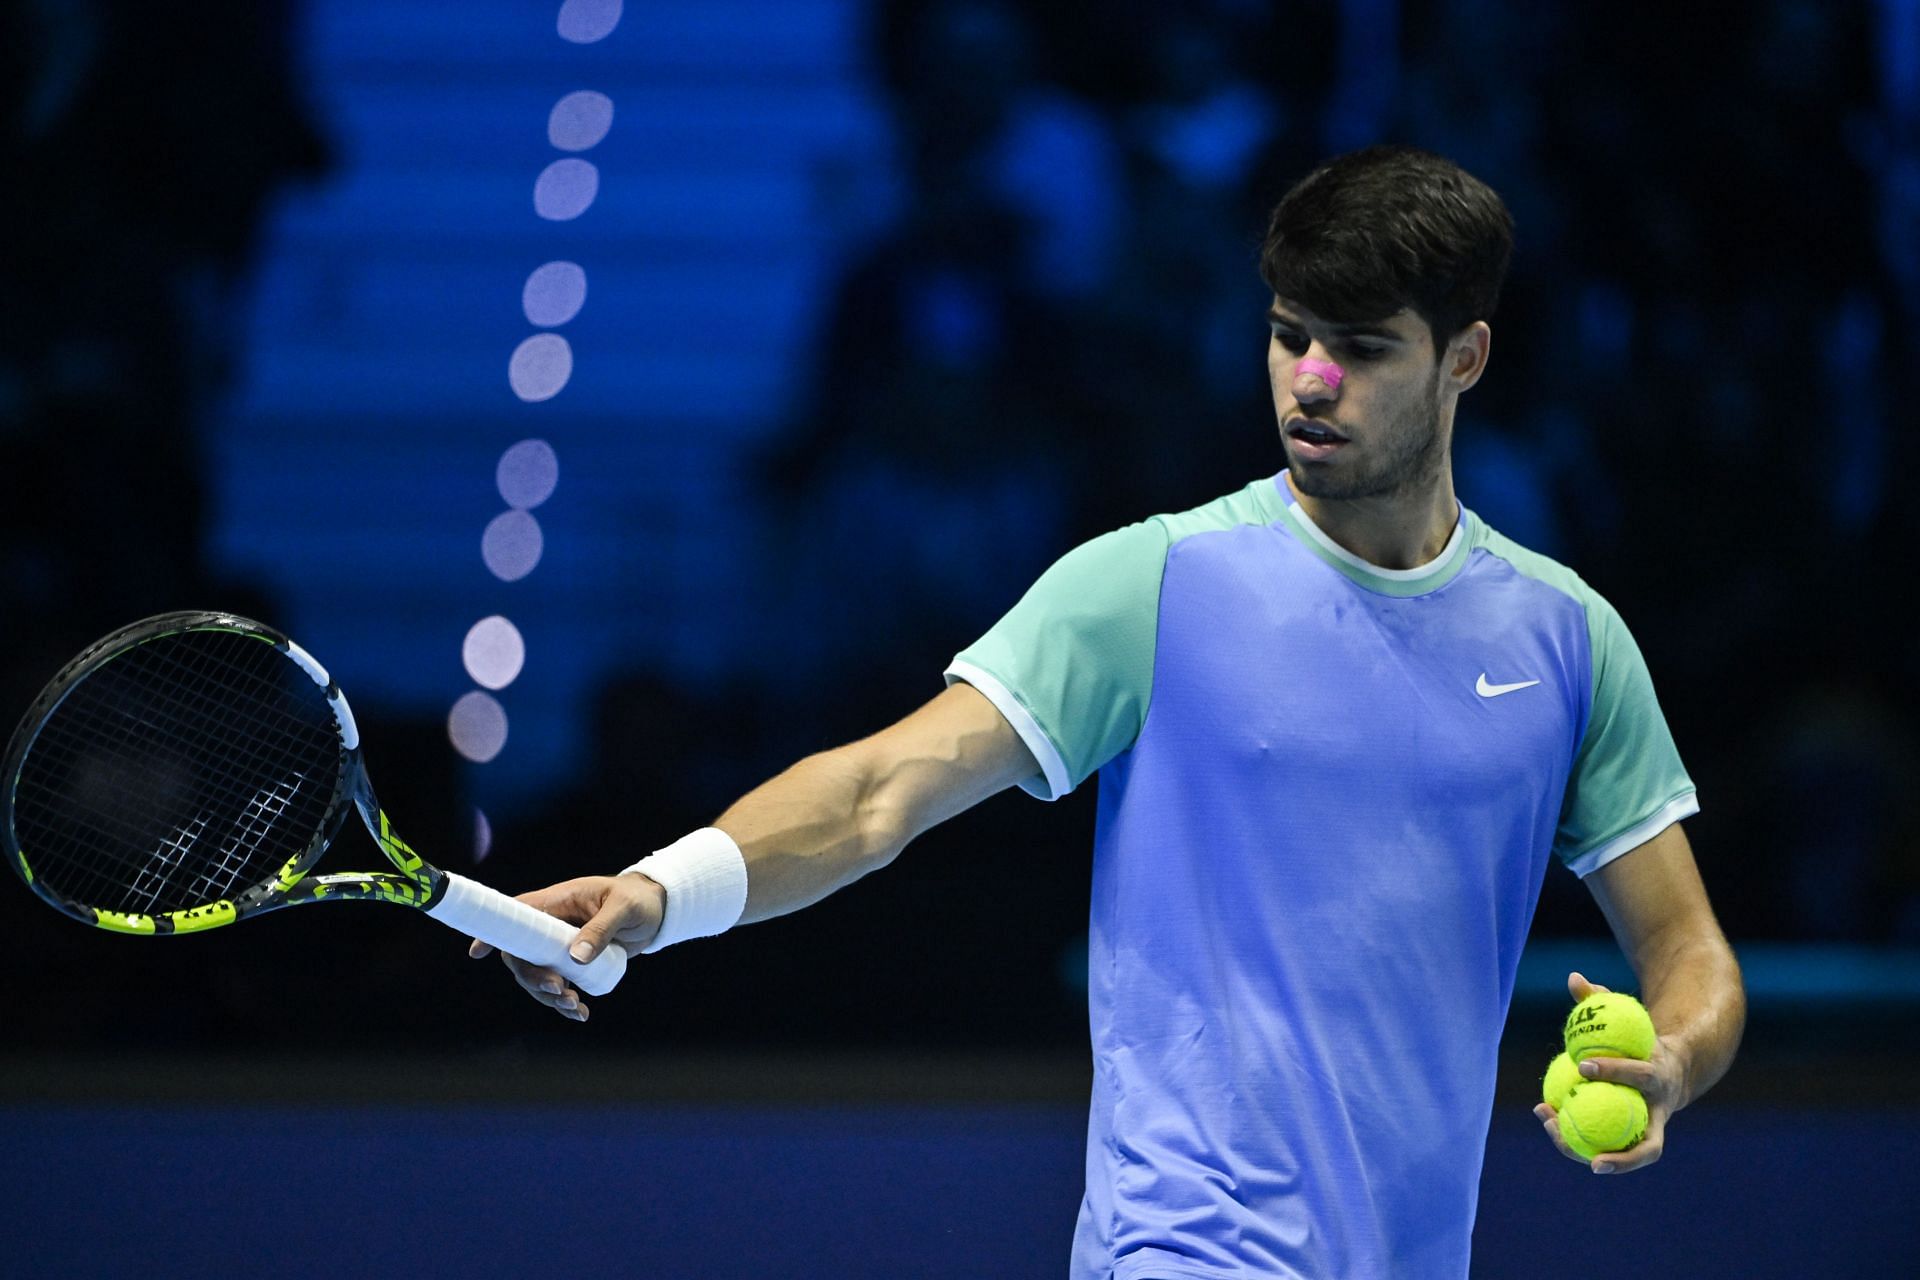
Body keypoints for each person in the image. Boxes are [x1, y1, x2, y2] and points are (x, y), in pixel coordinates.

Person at [471, 145, 1746, 1279]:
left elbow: (1688, 951)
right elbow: (879, 789)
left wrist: (1673, 1061)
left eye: (1360, 349)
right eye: (1289, 332)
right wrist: (657, 889)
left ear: (1464, 356)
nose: (1310, 379)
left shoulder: (1567, 639)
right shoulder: (1153, 582)